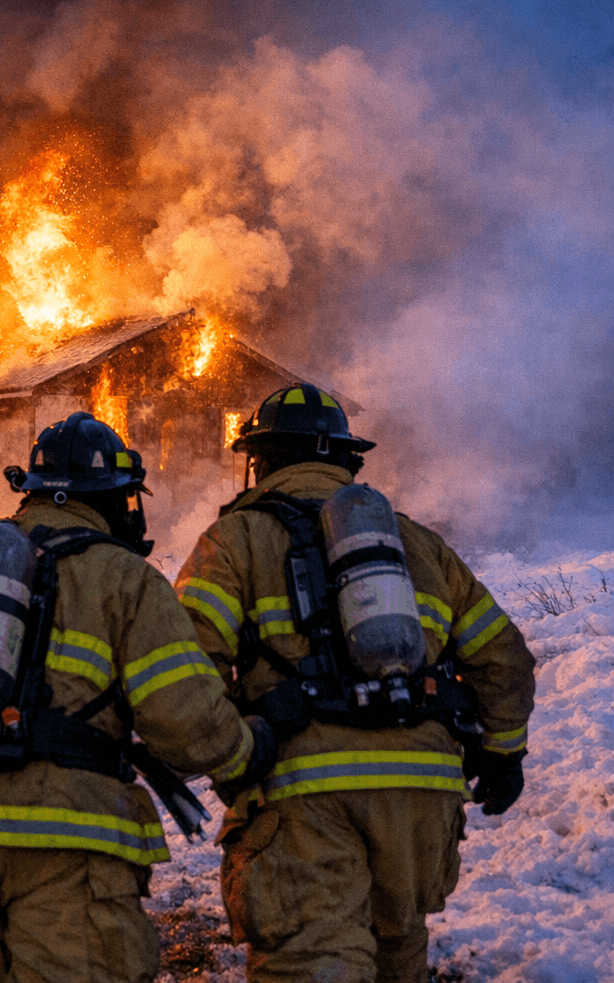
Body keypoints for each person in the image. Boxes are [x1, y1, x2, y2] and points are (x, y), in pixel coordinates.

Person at [0, 412, 276, 983]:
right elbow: (186, 721)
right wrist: (246, 753)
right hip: (65, 842)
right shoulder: (128, 581)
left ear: (31, 493)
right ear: (118, 501)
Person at [174, 383, 536, 983]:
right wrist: (502, 756)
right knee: (398, 954)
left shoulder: (235, 541)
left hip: (302, 801)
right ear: (347, 461)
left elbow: (187, 670)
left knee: (313, 963)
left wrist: (233, 756)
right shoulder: (416, 544)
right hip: (420, 802)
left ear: (259, 462)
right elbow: (505, 660)